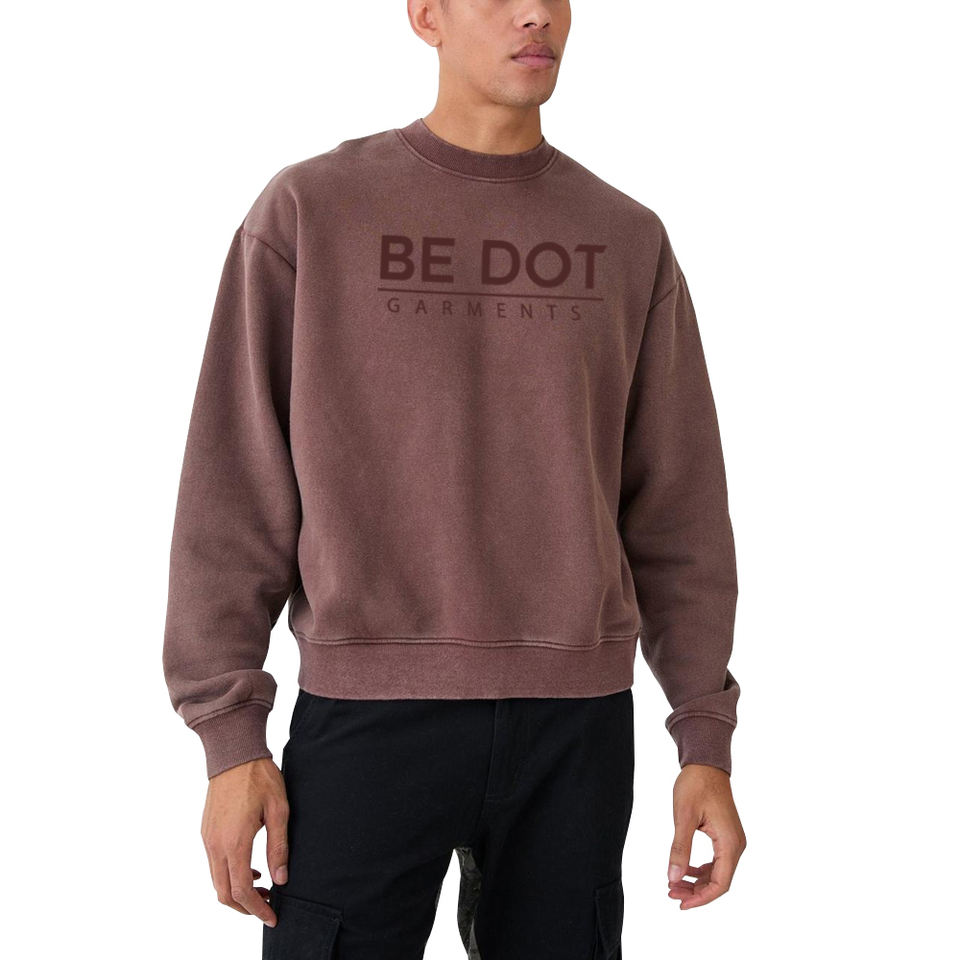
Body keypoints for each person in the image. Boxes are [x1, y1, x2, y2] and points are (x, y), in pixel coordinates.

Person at [162, 1, 747, 956]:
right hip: (367, 720)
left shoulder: (626, 236)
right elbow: (233, 484)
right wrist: (231, 741)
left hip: (577, 730)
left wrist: (704, 739)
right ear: (426, 15)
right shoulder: (312, 211)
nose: (535, 13)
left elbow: (677, 509)